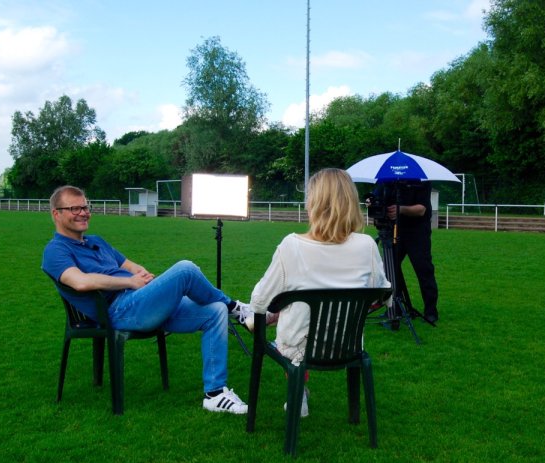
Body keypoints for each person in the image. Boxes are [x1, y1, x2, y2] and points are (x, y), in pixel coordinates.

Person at [42, 185, 249, 414]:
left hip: (140, 302)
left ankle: (215, 394)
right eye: (74, 208)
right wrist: (131, 282)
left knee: (215, 310)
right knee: (185, 269)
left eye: (85, 206)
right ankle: (238, 309)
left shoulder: (96, 241)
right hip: (119, 311)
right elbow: (80, 282)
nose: (83, 212)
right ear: (56, 214)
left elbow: (130, 266)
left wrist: (143, 277)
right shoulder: (55, 251)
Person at [233, 168, 391, 417]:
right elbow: (384, 295)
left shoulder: (292, 246)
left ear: (314, 203)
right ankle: (302, 393)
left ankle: (298, 392)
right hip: (348, 346)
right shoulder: (367, 246)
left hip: (301, 348)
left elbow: (259, 302)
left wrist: (276, 310)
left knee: (288, 315)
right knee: (296, 310)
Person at [384, 180, 439, 324]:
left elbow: (421, 209)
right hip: (396, 230)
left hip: (418, 232)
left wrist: (399, 209)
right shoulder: (389, 182)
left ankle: (431, 311)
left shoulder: (422, 182)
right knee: (391, 270)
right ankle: (394, 307)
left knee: (424, 270)